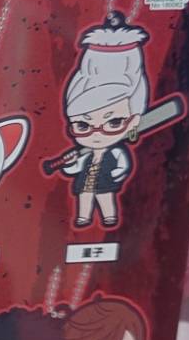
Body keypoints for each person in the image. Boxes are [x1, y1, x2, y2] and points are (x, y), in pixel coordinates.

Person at [57, 12, 149, 229]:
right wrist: (69, 165)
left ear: (133, 121)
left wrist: (117, 173)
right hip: (85, 182)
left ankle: (109, 218)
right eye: (83, 125)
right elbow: (73, 168)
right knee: (85, 198)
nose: (96, 133)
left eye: (113, 123)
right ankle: (83, 218)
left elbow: (122, 165)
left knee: (106, 198)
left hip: (106, 181)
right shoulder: (84, 153)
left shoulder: (115, 152)